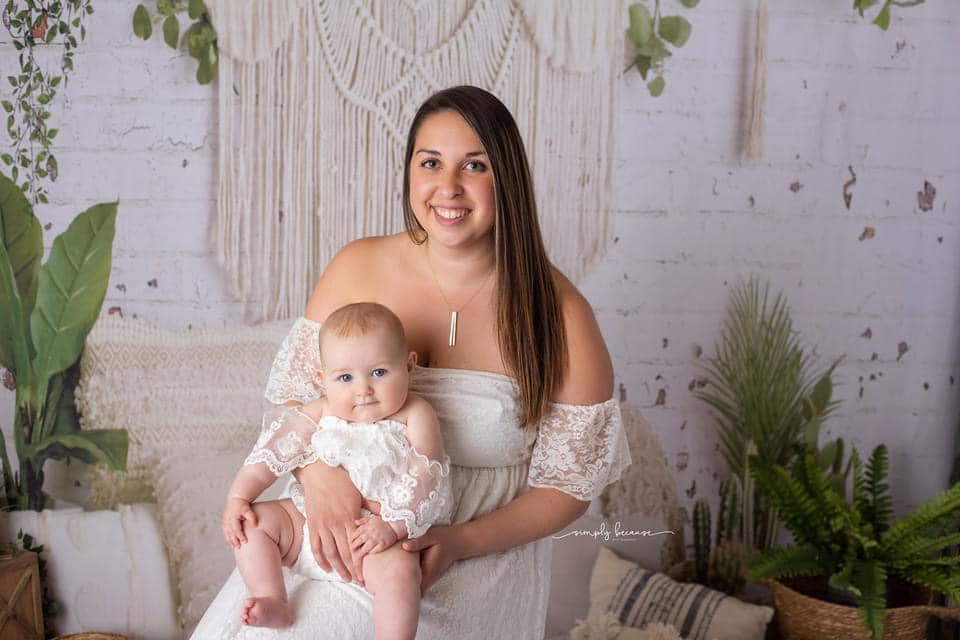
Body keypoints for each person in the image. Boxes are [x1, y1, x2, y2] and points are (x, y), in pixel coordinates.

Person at [192, 85, 631, 639]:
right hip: (328, 533)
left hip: (469, 558)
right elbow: (297, 401)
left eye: (475, 165)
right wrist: (324, 478)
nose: (448, 187)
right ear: (410, 173)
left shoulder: (560, 315)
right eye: (431, 163)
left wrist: (459, 541)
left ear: (508, 179)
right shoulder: (358, 266)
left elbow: (568, 487)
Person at [221, 302, 450, 638]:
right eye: (345, 377)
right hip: (306, 522)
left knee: (401, 574)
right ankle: (272, 597)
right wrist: (239, 496)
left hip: (374, 537)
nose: (363, 389)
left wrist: (393, 525)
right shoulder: (321, 410)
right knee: (254, 524)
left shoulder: (416, 414)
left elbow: (426, 474)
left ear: (409, 365)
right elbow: (275, 449)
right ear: (322, 379)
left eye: (379, 373)